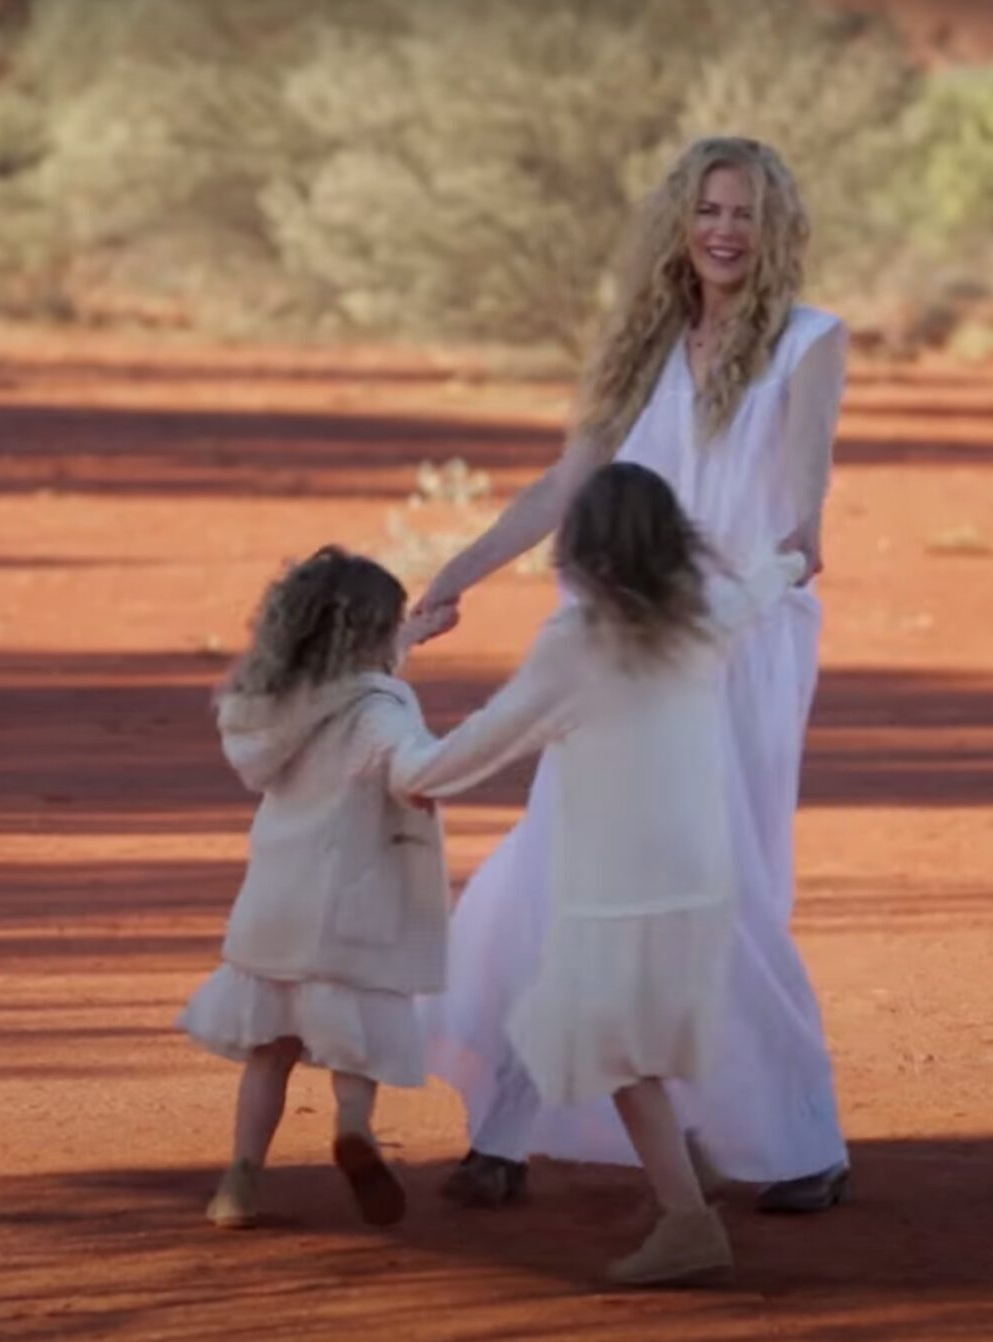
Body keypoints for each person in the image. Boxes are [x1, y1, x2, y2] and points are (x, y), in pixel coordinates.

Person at [408, 136, 852, 1214]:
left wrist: (749, 585)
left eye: (745, 212)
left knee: (724, 888)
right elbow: (569, 482)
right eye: (707, 208)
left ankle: (801, 1140)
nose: (724, 230)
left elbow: (801, 518)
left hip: (733, 644)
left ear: (775, 226)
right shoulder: (640, 342)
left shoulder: (807, 342)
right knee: (557, 862)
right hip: (610, 641)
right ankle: (507, 1125)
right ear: (679, 220)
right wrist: (453, 575)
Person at [390, 463, 810, 1285]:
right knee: (625, 1042)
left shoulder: (578, 641)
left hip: (617, 888)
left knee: (603, 1048)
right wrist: (788, 559)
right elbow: (756, 594)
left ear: (583, 550)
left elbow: (496, 733)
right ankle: (689, 1165)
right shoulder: (697, 620)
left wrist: (413, 771)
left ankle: (689, 1218)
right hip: (696, 879)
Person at [176, 547, 451, 1230]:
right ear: (369, 638)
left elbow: (351, 689)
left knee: (269, 1054)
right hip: (354, 910)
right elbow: (399, 752)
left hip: (278, 906)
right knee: (354, 1044)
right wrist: (429, 779)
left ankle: (239, 1181)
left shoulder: (276, 702)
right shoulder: (382, 709)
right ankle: (353, 1126)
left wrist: (412, 634)